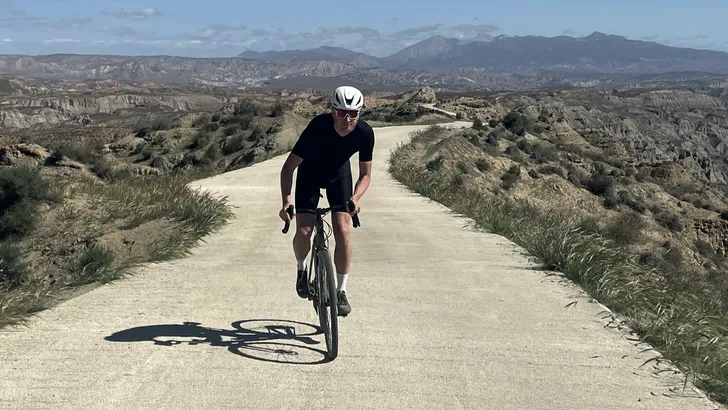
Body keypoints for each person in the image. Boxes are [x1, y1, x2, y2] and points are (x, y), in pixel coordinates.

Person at [278, 85, 375, 317]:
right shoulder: (317, 128)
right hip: (309, 173)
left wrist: (356, 197)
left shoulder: (364, 133)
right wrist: (286, 201)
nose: (348, 119)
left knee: (343, 230)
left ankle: (340, 291)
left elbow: (365, 175)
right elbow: (288, 168)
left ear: (360, 113)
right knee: (304, 231)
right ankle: (302, 271)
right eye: (342, 113)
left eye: (353, 113)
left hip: (338, 174)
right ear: (332, 111)